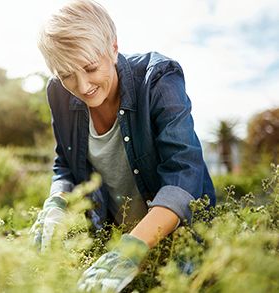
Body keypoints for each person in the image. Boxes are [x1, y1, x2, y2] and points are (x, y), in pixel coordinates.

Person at [30, 0, 216, 292]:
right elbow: (65, 163)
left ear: (113, 48)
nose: (82, 86)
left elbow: (184, 177)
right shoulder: (58, 93)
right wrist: (56, 202)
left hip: (180, 239)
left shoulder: (158, 80)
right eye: (66, 74)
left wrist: (131, 250)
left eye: (90, 67)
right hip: (113, 240)